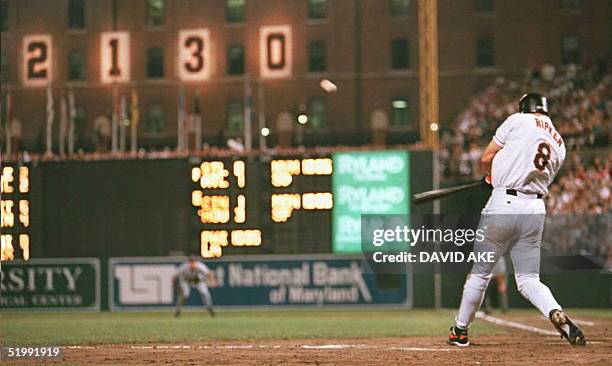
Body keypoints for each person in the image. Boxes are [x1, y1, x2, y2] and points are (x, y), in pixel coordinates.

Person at [448, 93, 586, 347]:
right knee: (529, 279)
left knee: (480, 274)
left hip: (504, 202)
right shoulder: (560, 144)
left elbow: (486, 158)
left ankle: (460, 330)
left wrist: (489, 177)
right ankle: (554, 310)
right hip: (534, 208)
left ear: (525, 108)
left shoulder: (518, 120)